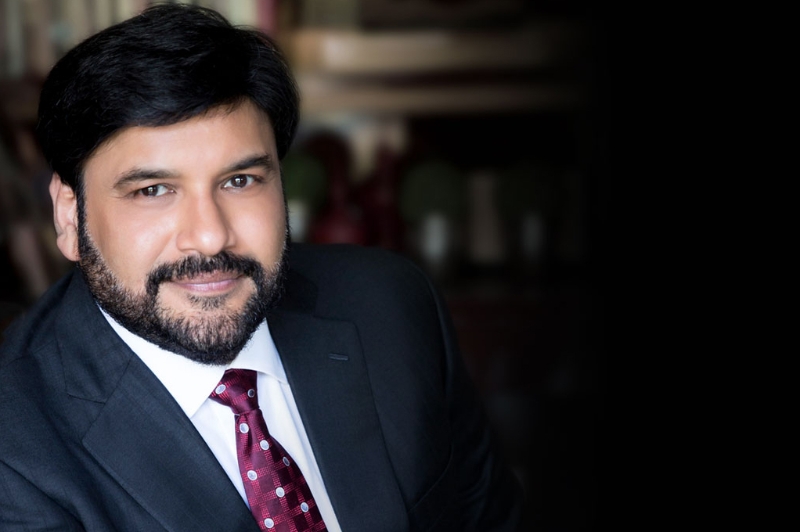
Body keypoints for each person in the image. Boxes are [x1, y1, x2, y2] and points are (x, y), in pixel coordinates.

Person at [0, 4, 524, 531]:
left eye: (240, 181)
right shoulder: (14, 448)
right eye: (153, 190)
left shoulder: (390, 306)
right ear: (69, 216)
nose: (210, 235)